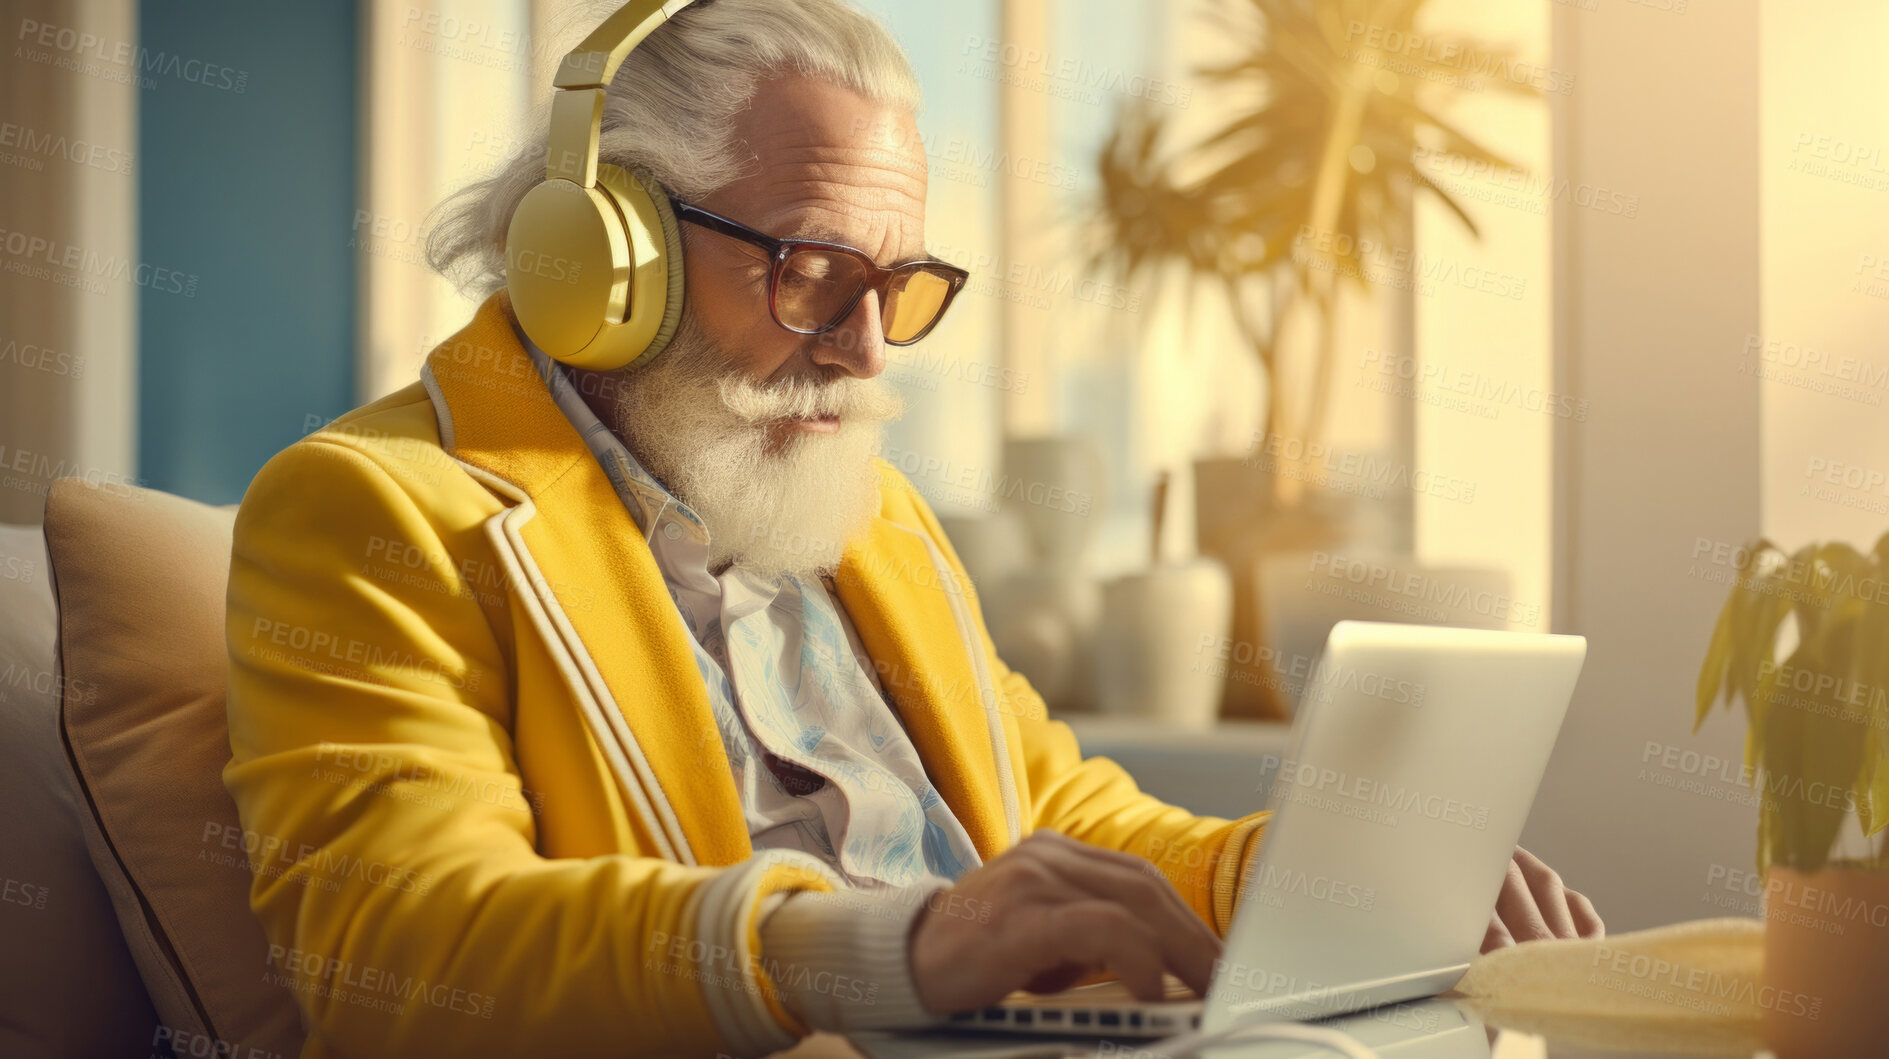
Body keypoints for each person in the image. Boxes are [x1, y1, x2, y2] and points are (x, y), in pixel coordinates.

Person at [222, 1, 1602, 1054]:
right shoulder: (374, 512)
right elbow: (387, 947)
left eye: (902, 284)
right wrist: (887, 948)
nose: (870, 351)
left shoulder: (862, 516)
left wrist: (1327, 878)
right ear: (598, 256)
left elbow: (1050, 812)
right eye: (813, 271)